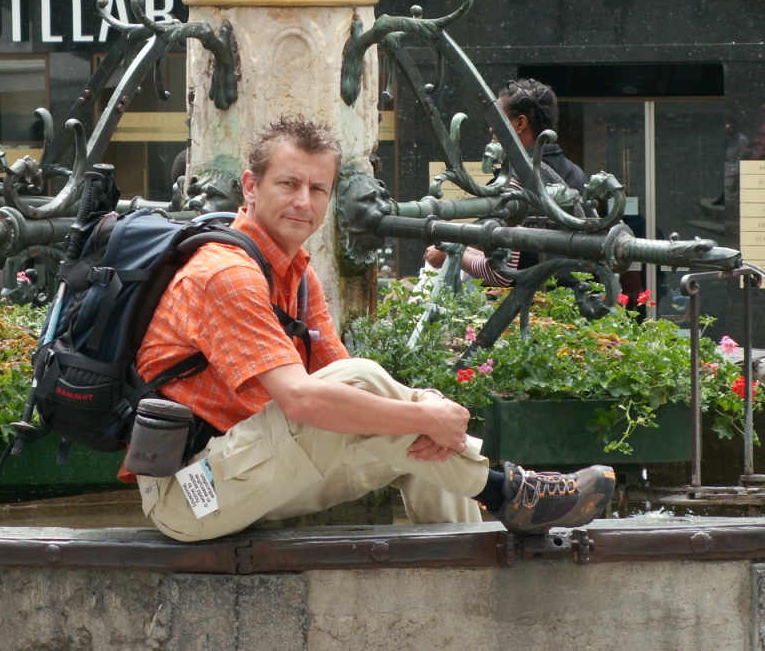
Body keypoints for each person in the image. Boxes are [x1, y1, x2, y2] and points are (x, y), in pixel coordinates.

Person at [129, 116, 614, 543]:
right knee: (387, 401)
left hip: (254, 472)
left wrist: (422, 407)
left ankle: (472, 578)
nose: (303, 201)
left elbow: (344, 389)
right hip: (191, 493)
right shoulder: (225, 273)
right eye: (288, 184)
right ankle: (506, 491)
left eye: (318, 189)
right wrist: (424, 414)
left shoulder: (296, 273)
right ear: (251, 186)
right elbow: (303, 400)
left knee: (415, 447)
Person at [425, 78, 587, 286]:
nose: (491, 129)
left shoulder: (512, 182)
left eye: (499, 119)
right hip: (573, 299)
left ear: (520, 124)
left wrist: (450, 252)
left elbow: (501, 273)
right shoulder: (576, 174)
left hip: (528, 302)